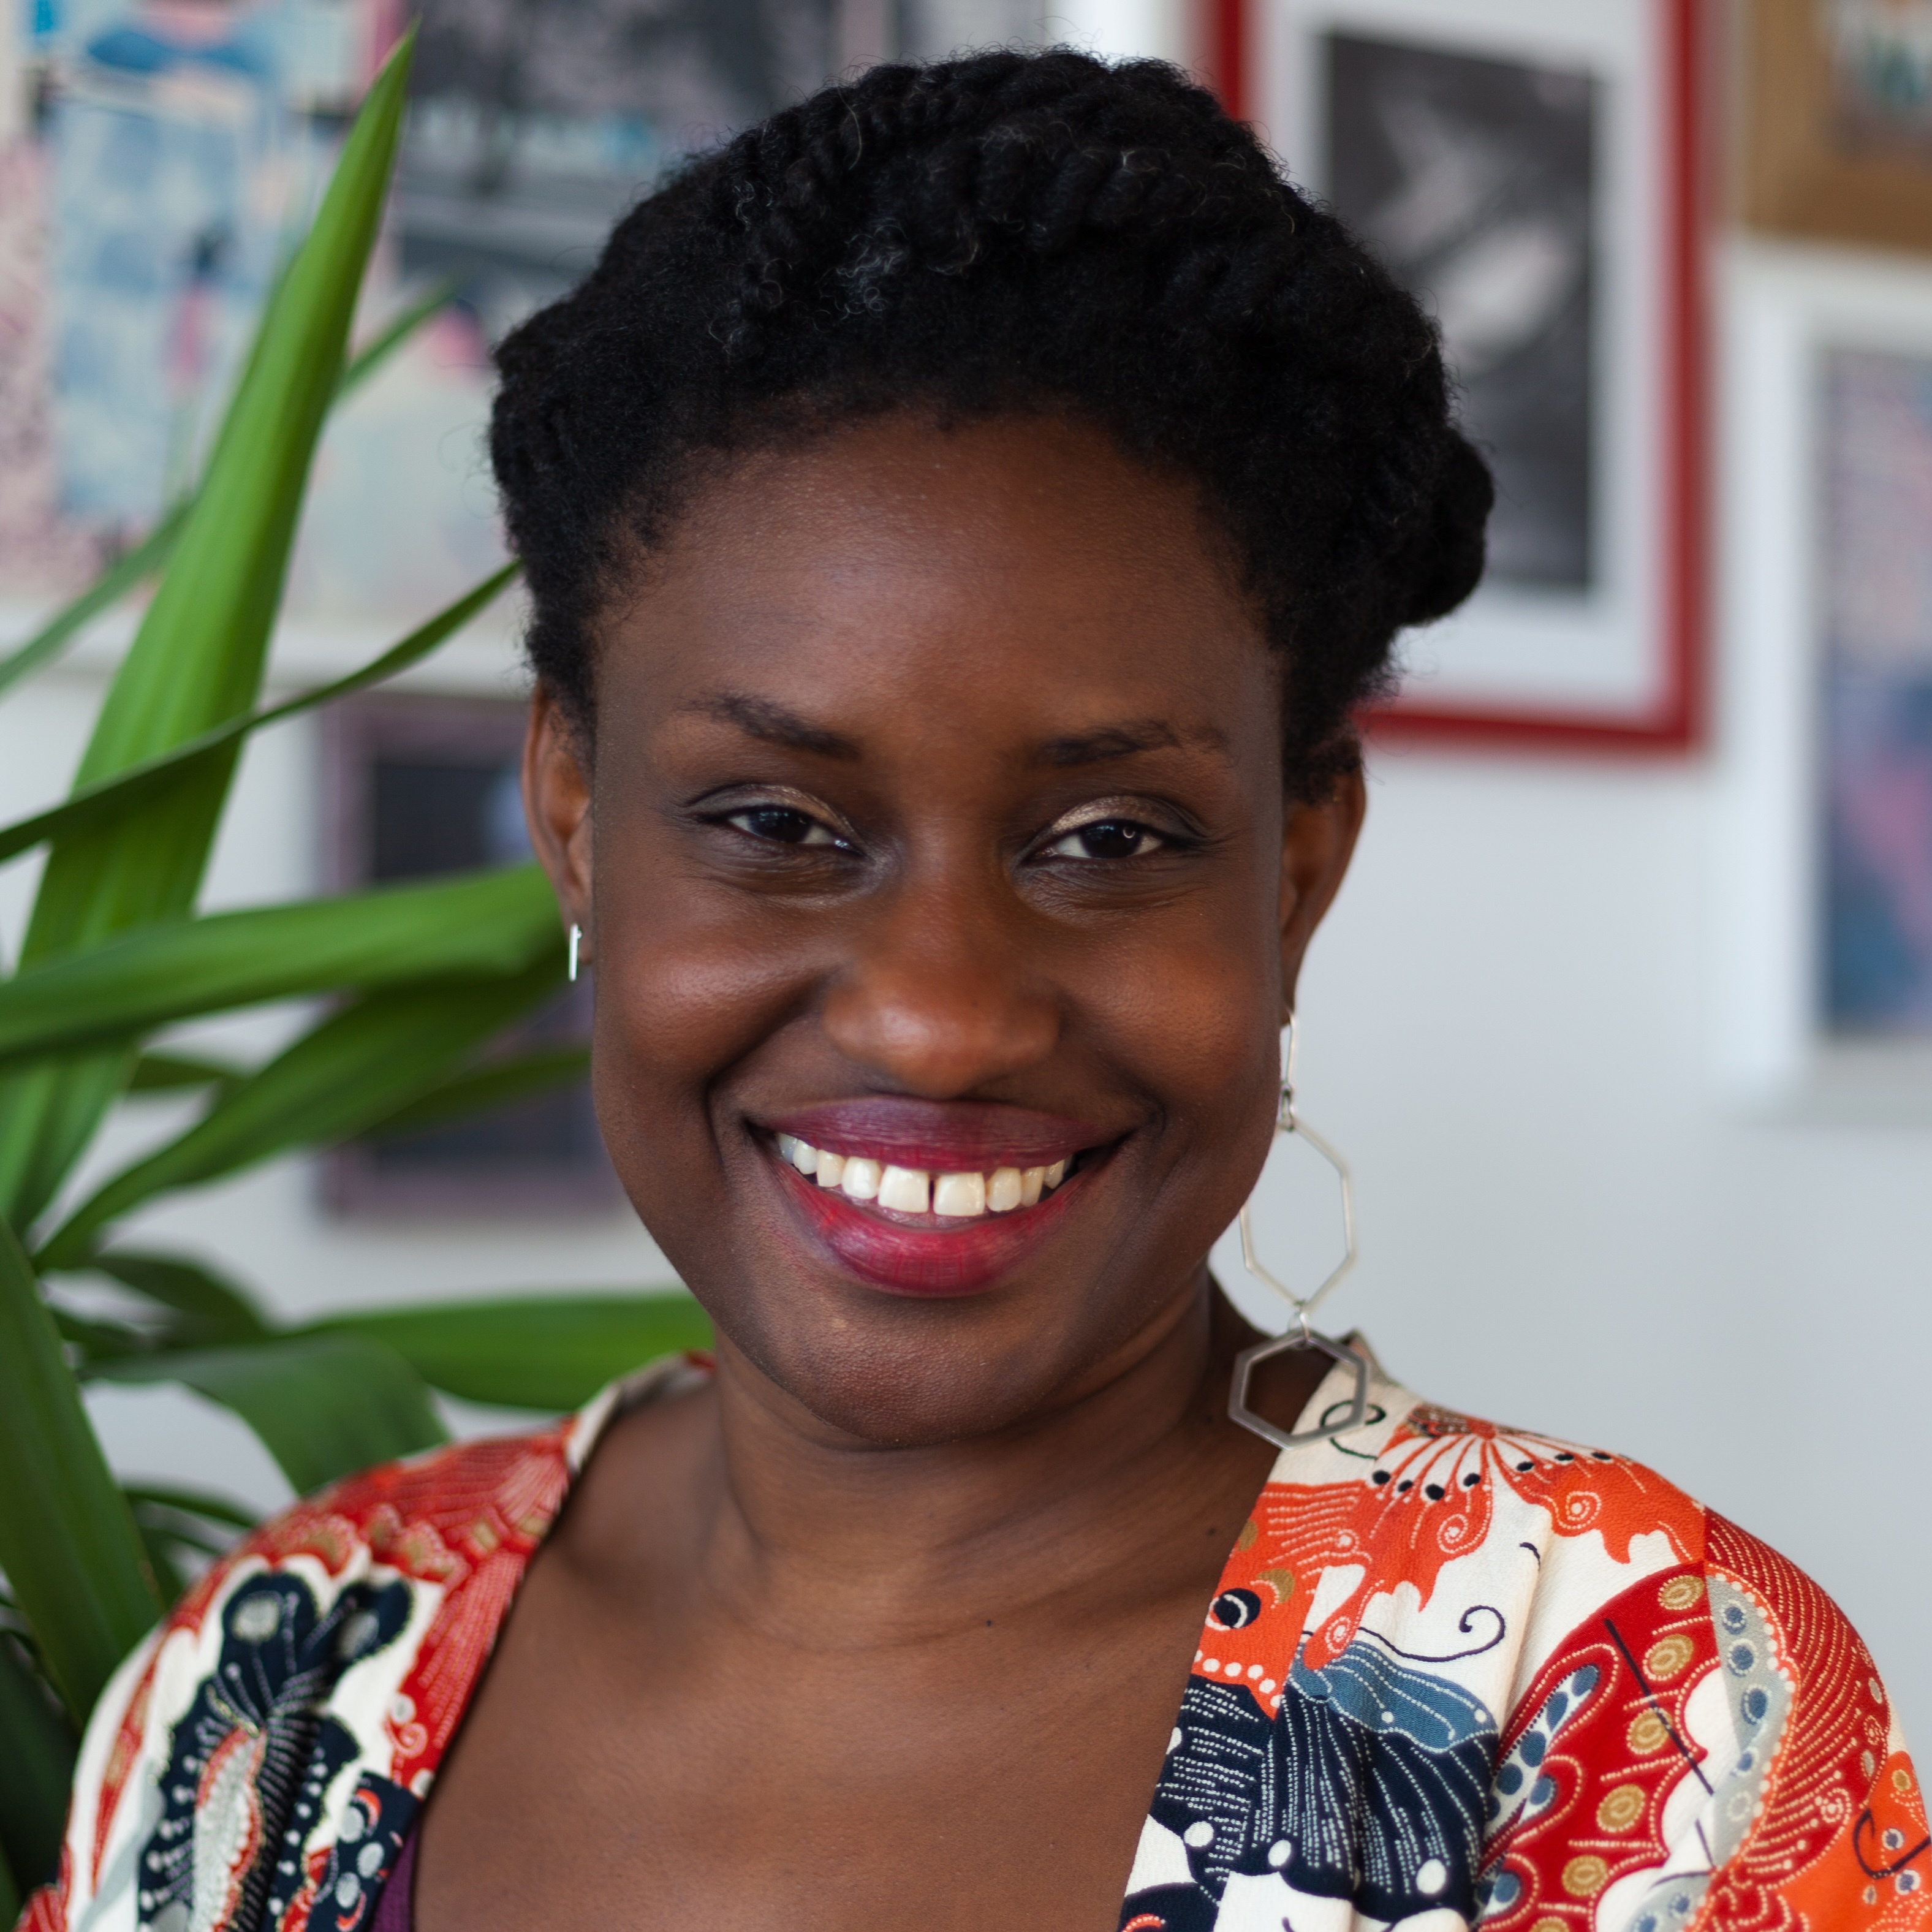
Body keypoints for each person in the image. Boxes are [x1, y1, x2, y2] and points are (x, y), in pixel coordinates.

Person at [26, 50, 1928, 1932]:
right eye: (777, 819)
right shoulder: (277, 1683)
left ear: (1296, 869)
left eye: (1105, 838)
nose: (939, 1017)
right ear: (575, 817)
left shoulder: (1627, 1731)